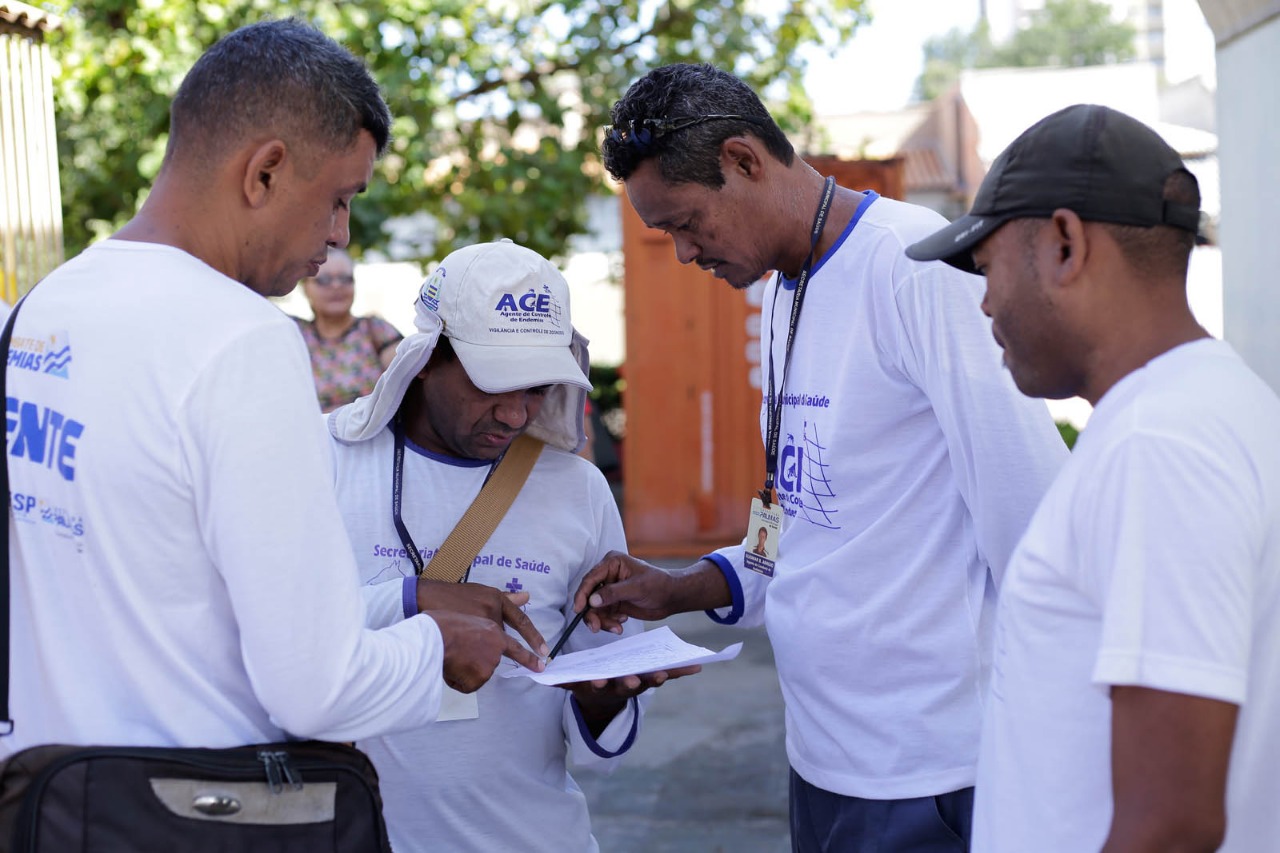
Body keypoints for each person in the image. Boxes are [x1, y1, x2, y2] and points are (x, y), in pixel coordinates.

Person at [1, 19, 541, 760]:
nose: (341, 234)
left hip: (47, 802)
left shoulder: (43, 308)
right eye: (339, 198)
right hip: (188, 815)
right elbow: (316, 686)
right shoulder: (242, 339)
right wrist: (435, 648)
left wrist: (405, 601)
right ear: (265, 173)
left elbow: (165, 596)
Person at [575, 63, 1069, 851]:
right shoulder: (781, 290)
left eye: (686, 222)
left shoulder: (918, 270)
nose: (681, 253)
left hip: (934, 773)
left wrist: (1062, 752)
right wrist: (676, 589)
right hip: (824, 762)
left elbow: (1039, 522)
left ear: (743, 159)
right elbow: (798, 524)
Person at [906, 104, 1280, 853]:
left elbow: (1171, 823)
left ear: (1066, 245)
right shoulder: (1221, 405)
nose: (984, 303)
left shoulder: (1159, 444)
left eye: (986, 268)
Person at [326, 239, 694, 852]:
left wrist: (604, 701)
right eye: (495, 383)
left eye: (536, 387)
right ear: (427, 357)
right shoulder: (321, 461)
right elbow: (256, 639)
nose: (517, 413)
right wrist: (412, 599)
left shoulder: (577, 490)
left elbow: (602, 748)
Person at [295, 246, 403, 412]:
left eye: (345, 278)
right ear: (305, 288)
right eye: (324, 280)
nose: (337, 286)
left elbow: (407, 387)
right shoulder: (296, 334)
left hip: (372, 436)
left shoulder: (377, 331)